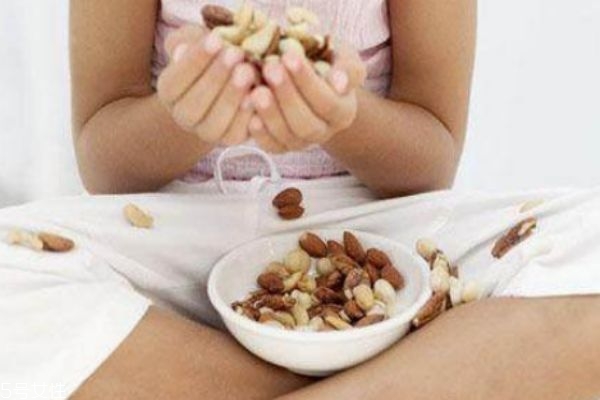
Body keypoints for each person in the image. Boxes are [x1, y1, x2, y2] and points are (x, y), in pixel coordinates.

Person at [0, 1, 598, 399]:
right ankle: (409, 382)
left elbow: (430, 159)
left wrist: (343, 118)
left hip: (379, 233)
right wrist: (186, 118)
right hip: (179, 235)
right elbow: (105, 163)